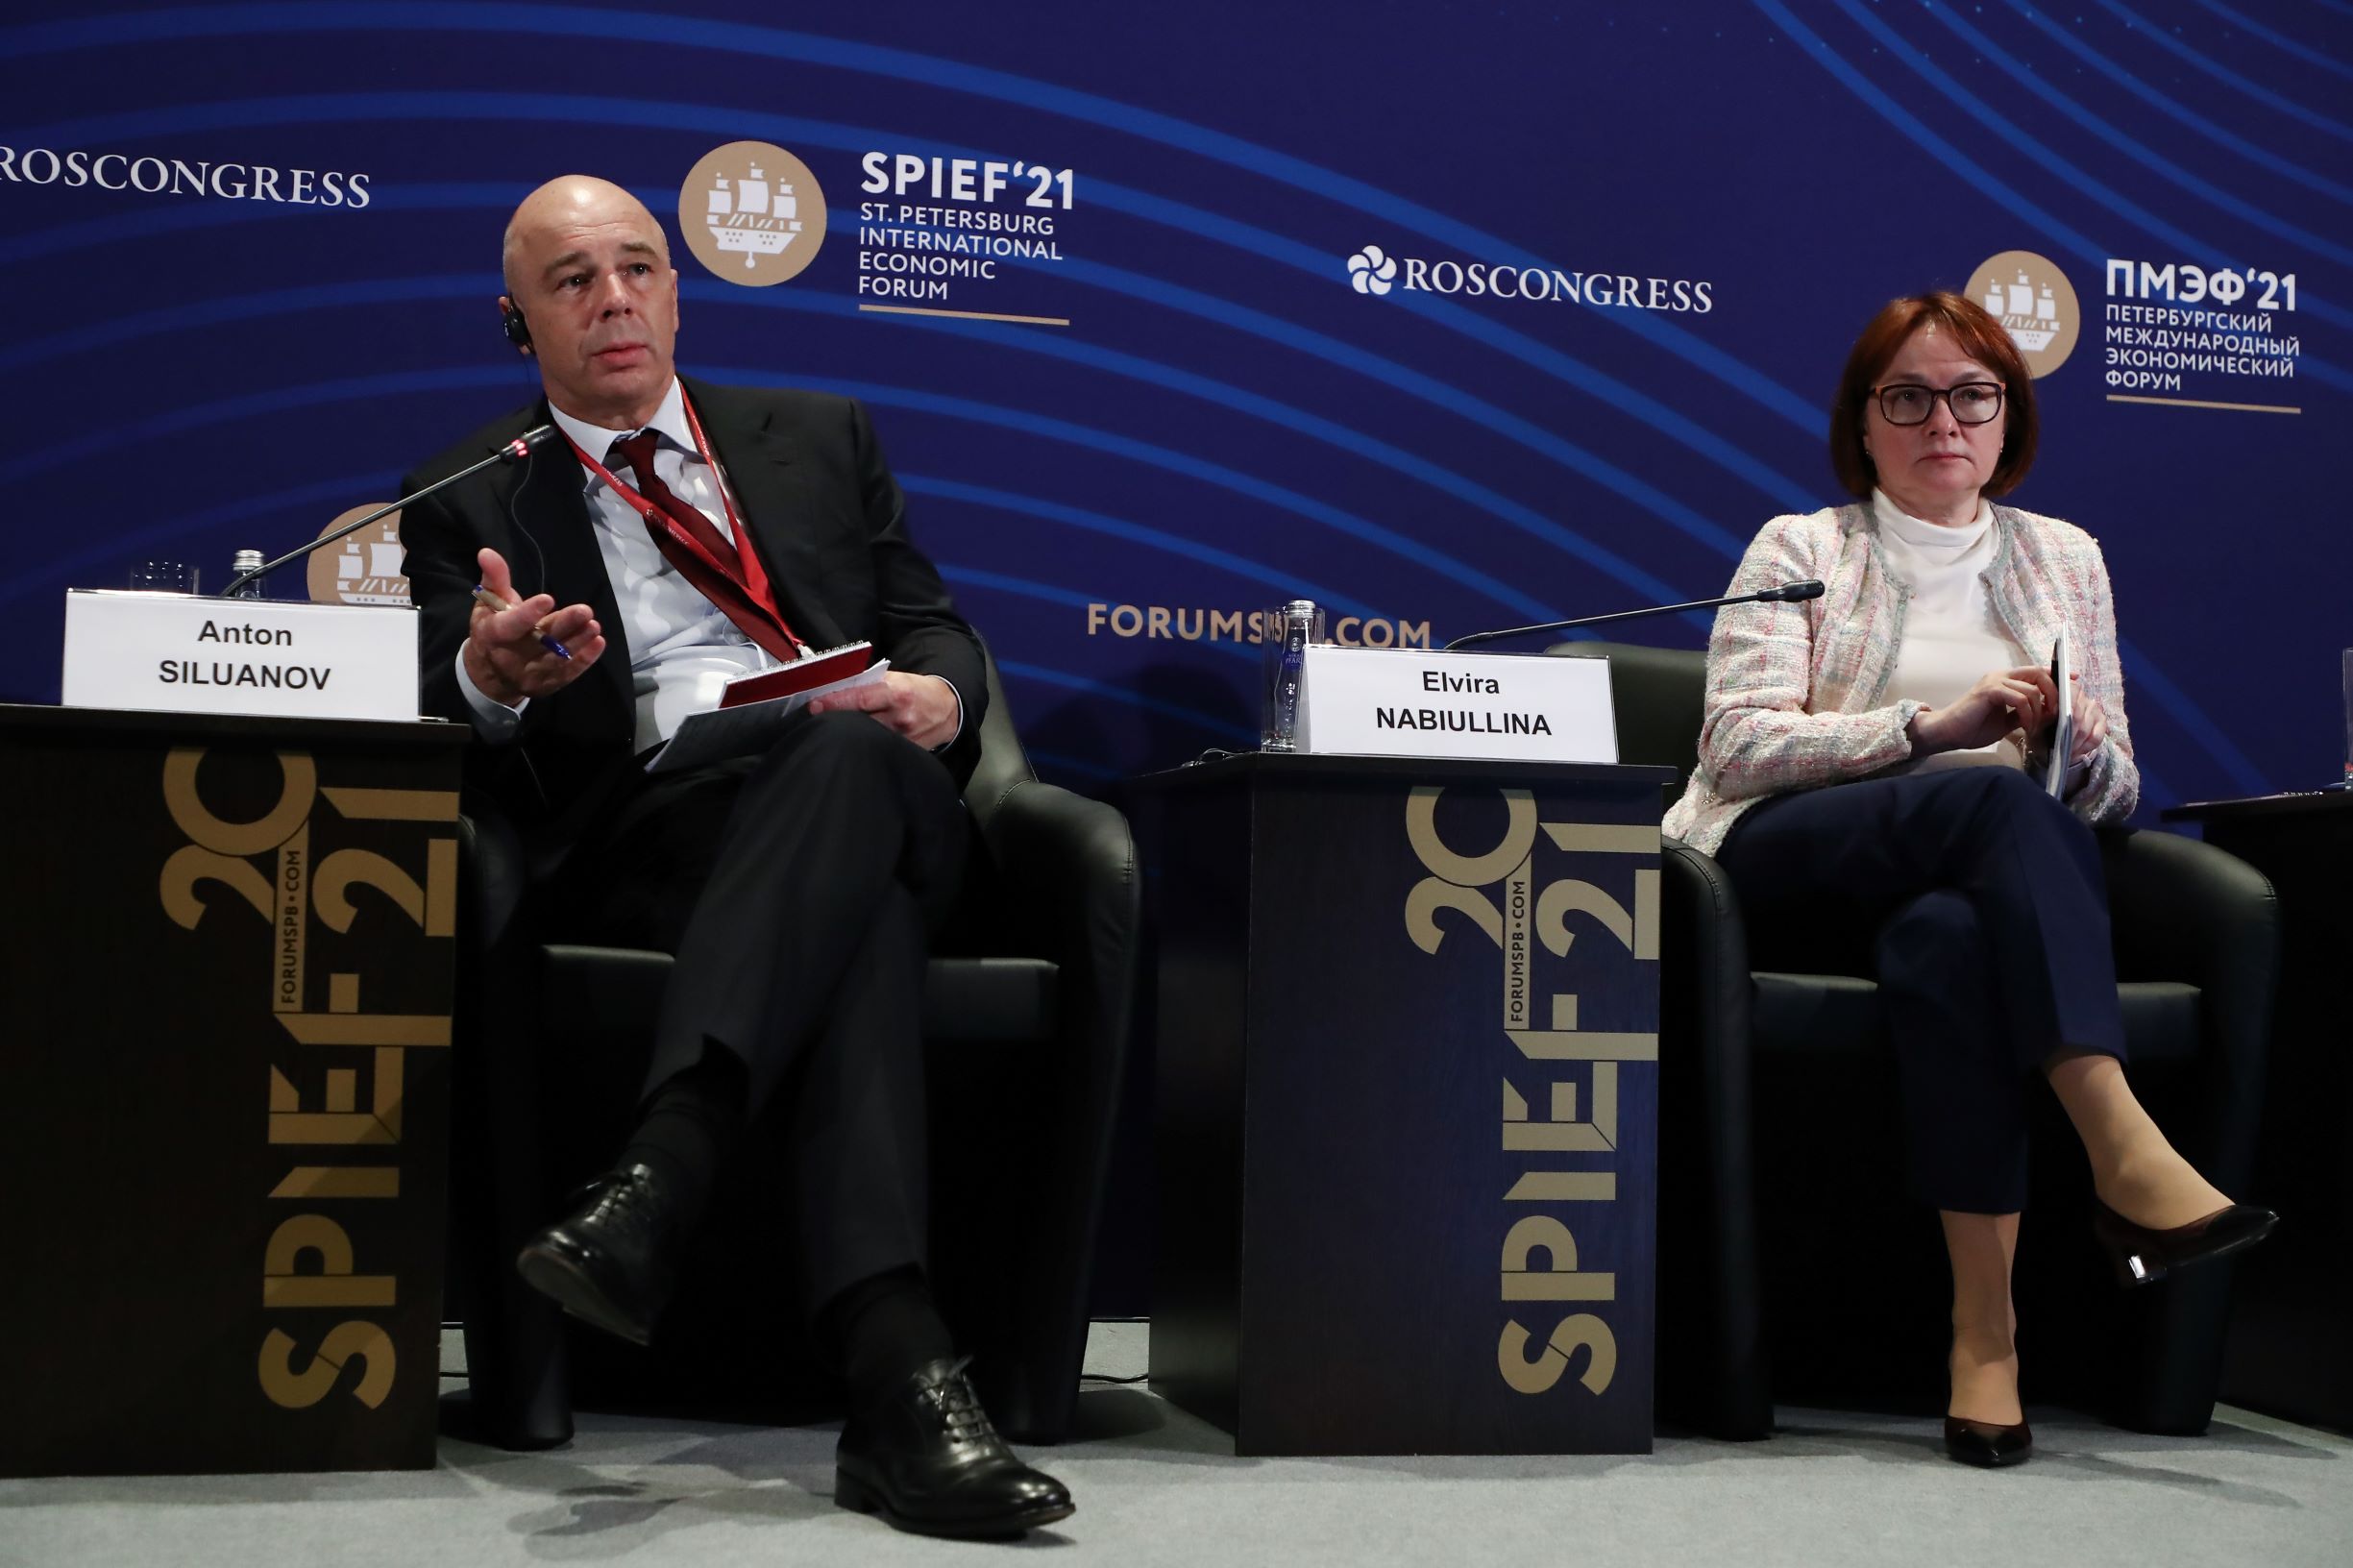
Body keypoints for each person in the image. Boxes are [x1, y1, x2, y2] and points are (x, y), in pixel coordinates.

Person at [397, 175, 1071, 1537]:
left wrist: (941, 700)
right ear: (518, 321)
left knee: (840, 753)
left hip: (874, 784)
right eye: (572, 280)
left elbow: (930, 627)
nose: (614, 300)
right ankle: (900, 1379)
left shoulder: (817, 436)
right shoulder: (467, 495)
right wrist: (492, 676)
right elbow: (444, 706)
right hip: (663, 834)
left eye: (638, 268)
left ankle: (665, 1174)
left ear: (676, 289)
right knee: (856, 920)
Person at [1661, 290, 2276, 1469]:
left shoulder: (2065, 558)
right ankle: (2122, 1149)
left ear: (2008, 418)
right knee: (1989, 799)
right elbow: (1736, 746)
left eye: (1971, 396)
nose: (1941, 421)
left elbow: (2112, 790)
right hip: (1794, 860)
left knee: (1949, 937)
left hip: (1976, 880)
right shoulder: (1801, 547)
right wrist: (1933, 730)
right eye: (1906, 397)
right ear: (1863, 423)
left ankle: (1984, 1338)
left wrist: (2062, 740)